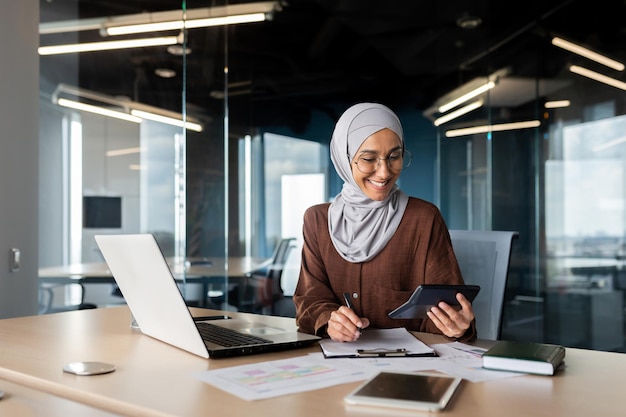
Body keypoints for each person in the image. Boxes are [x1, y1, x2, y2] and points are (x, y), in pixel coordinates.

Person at [293, 102, 476, 343]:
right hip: (335, 366)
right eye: (368, 158)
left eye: (394, 156)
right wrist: (330, 320)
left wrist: (457, 325)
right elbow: (309, 300)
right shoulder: (316, 221)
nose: (384, 172)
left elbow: (444, 311)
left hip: (409, 370)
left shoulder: (424, 219)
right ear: (344, 158)